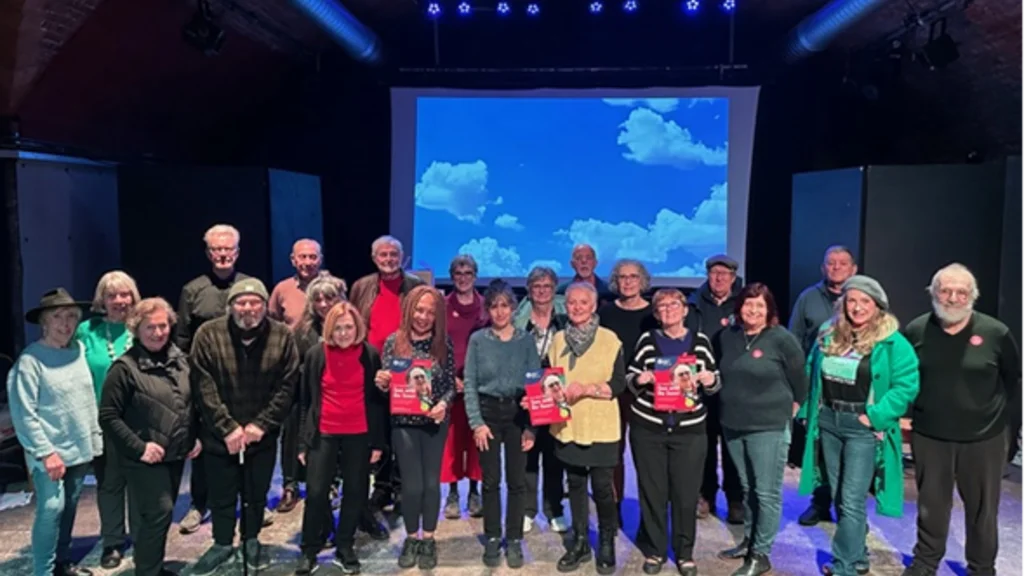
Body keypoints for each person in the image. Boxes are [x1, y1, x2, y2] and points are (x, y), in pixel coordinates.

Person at [901, 264, 1021, 576]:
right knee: (931, 507)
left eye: (961, 292)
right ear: (933, 293)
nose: (953, 297)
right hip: (931, 435)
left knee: (982, 511)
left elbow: (1012, 380)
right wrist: (906, 416)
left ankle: (982, 568)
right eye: (945, 290)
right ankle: (925, 563)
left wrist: (988, 414)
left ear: (973, 296)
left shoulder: (996, 333)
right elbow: (904, 378)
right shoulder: (916, 330)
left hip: (984, 439)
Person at [797, 276, 919, 576]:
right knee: (839, 493)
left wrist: (875, 416)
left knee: (851, 498)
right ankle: (859, 555)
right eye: (852, 300)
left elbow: (906, 386)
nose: (858, 307)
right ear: (843, 303)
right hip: (829, 422)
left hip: (862, 427)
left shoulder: (892, 342)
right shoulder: (829, 332)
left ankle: (844, 566)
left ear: (878, 307)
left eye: (865, 301)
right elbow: (811, 370)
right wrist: (807, 411)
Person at [188, 279, 300, 576]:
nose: (248, 308)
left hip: (261, 436)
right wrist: (227, 427)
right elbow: (202, 384)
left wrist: (261, 425)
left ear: (265, 305)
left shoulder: (282, 336)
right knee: (222, 494)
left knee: (255, 494)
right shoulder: (208, 334)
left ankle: (251, 540)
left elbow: (287, 386)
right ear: (230, 305)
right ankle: (222, 544)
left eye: (255, 302)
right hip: (218, 435)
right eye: (241, 302)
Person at [98, 297, 203, 576]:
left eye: (162, 326)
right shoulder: (124, 368)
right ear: (136, 329)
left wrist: (194, 437)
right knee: (157, 514)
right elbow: (108, 416)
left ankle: (152, 569)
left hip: (176, 452)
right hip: (143, 457)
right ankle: (147, 571)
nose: (158, 333)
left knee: (160, 516)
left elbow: (187, 404)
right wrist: (140, 447)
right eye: (150, 328)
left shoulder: (180, 360)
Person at [713, 283, 807, 576]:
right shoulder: (729, 337)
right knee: (748, 488)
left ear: (769, 310)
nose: (753, 311)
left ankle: (761, 554)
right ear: (739, 307)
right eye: (748, 304)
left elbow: (800, 381)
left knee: (766, 492)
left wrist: (790, 411)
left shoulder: (782, 339)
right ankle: (750, 541)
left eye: (760, 306)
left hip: (768, 426)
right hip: (732, 423)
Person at [8, 288, 102, 576]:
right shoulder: (30, 361)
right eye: (57, 317)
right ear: (44, 322)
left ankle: (62, 562)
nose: (65, 323)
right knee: (51, 509)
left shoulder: (78, 350)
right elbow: (24, 414)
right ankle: (43, 571)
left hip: (78, 447)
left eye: (71, 317)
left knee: (70, 505)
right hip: (48, 451)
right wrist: (46, 452)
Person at [626, 288, 719, 576]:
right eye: (662, 307)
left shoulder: (700, 342)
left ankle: (684, 553)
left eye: (674, 305)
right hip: (649, 427)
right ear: (656, 314)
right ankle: (654, 550)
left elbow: (715, 384)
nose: (668, 310)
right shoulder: (647, 340)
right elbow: (630, 377)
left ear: (685, 309)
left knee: (685, 493)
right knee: (652, 491)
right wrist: (641, 378)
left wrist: (708, 378)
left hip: (689, 430)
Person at [294, 302, 388, 576]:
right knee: (315, 492)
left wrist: (377, 442)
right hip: (323, 432)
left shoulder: (369, 355)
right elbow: (305, 402)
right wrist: (302, 442)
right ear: (329, 329)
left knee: (356, 492)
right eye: (338, 328)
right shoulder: (315, 355)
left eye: (349, 327)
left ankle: (345, 547)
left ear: (357, 328)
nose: (344, 333)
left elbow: (377, 402)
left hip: (359, 433)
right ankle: (309, 549)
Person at [538, 282, 626, 575]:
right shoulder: (558, 340)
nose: (576, 307)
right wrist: (538, 398)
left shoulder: (610, 339)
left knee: (602, 488)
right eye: (572, 302)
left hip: (601, 426)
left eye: (583, 302)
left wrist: (586, 389)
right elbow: (548, 381)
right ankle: (578, 542)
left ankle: (606, 541)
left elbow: (618, 385)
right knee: (574, 486)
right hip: (567, 426)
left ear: (594, 305)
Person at [175, 224, 253, 534]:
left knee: (245, 441)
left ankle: (245, 501)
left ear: (237, 252)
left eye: (228, 249)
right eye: (217, 250)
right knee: (205, 446)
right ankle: (199, 503)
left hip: (243, 381)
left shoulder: (250, 286)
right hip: (204, 379)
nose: (223, 254)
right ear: (209, 253)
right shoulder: (193, 290)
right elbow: (181, 337)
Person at [375, 285, 456, 570]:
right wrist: (382, 382)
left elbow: (449, 388)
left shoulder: (442, 344)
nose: (423, 317)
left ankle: (429, 539)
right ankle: (411, 537)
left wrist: (443, 405)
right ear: (409, 309)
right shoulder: (393, 342)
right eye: (419, 310)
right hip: (404, 424)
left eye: (430, 313)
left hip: (434, 423)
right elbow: (389, 388)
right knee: (412, 485)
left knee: (432, 484)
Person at [463, 280, 541, 568]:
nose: (500, 312)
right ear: (488, 309)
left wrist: (532, 427)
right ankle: (493, 537)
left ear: (513, 307)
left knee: (517, 482)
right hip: (487, 415)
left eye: (505, 305)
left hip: (517, 416)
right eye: (494, 306)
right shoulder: (478, 340)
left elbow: (536, 385)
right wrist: (476, 423)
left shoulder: (525, 341)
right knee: (491, 481)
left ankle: (515, 538)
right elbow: (470, 383)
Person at [349, 235, 425, 513]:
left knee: (404, 429)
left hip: (408, 367)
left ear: (402, 257)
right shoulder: (361, 287)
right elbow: (354, 323)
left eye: (394, 254)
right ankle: (381, 487)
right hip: (372, 366)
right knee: (378, 429)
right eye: (383, 255)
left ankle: (401, 485)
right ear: (374, 258)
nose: (389, 259)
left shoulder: (416, 286)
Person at [75, 270, 141, 569]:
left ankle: (143, 539)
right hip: (103, 420)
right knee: (110, 483)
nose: (119, 301)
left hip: (140, 420)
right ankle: (113, 542)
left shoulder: (143, 327)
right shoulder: (86, 331)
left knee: (141, 484)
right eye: (112, 295)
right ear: (101, 299)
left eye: (125, 294)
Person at [789, 245, 858, 527]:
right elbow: (793, 340)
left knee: (851, 452)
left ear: (853, 269)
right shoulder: (808, 297)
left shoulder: (863, 299)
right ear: (823, 268)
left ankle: (850, 510)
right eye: (831, 263)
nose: (836, 267)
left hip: (855, 388)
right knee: (818, 446)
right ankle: (820, 502)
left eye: (842, 263)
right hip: (818, 386)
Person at [269, 238, 335, 515]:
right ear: (293, 259)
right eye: (302, 257)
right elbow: (272, 324)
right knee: (293, 428)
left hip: (331, 372)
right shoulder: (282, 289)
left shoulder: (333, 286)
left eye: (312, 256)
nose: (307, 262)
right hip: (295, 372)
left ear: (320, 258)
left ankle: (330, 482)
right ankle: (291, 484)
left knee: (329, 428)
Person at [598, 259, 658, 524]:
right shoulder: (607, 313)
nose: (628, 281)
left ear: (642, 280)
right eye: (622, 277)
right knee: (614, 453)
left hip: (647, 393)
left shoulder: (654, 313)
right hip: (615, 392)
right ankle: (615, 507)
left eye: (633, 276)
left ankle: (650, 511)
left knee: (647, 455)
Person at [687, 254, 744, 523]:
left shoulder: (745, 303)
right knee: (704, 444)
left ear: (733, 278)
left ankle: (735, 499)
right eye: (714, 273)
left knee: (732, 445)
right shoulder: (694, 303)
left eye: (725, 274)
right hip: (701, 385)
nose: (719, 278)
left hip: (734, 384)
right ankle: (705, 495)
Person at [514, 266, 570, 533]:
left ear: (554, 289)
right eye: (536, 287)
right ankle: (527, 510)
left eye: (547, 286)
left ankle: (555, 509)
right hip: (526, 398)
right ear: (529, 290)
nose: (542, 291)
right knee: (528, 455)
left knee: (554, 456)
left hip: (556, 396)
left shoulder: (565, 320)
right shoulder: (519, 322)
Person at [441, 255, 487, 520]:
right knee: (453, 441)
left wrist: (474, 381)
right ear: (452, 275)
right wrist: (450, 379)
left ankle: (474, 490)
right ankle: (453, 493)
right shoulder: (442, 306)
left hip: (479, 386)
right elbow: (438, 345)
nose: (463, 277)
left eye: (468, 272)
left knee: (477, 439)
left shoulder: (485, 307)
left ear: (475, 275)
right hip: (451, 385)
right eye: (458, 273)